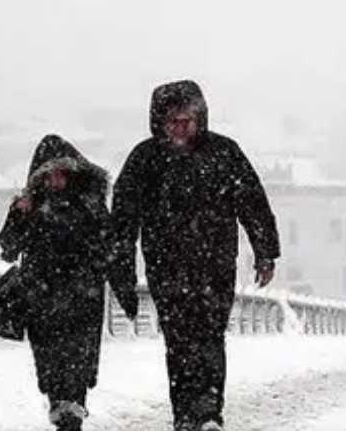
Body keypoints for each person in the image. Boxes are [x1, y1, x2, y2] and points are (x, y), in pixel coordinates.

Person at [109, 80, 281, 431]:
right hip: (166, 267)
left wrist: (265, 253)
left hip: (215, 265)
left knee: (210, 336)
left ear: (199, 119)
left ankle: (208, 412)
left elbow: (252, 203)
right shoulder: (145, 159)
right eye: (173, 121)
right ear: (160, 122)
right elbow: (123, 221)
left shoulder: (224, 153)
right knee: (179, 341)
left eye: (187, 120)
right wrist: (121, 272)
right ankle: (186, 415)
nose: (180, 128)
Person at [0, 134, 137, 431]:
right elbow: (8, 247)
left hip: (82, 298)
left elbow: (111, 250)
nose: (56, 180)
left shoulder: (90, 206)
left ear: (73, 173)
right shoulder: (32, 207)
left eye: (61, 173)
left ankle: (71, 410)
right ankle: (62, 407)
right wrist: (18, 215)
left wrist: (125, 290)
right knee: (50, 364)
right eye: (48, 175)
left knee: (78, 363)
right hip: (42, 299)